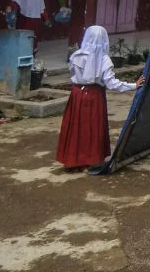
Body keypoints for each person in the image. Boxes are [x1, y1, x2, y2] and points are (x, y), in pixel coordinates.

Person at [57, 26, 143, 171]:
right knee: (90, 128)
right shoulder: (104, 60)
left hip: (77, 94)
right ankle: (89, 160)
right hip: (94, 96)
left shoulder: (76, 55)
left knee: (76, 127)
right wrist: (133, 85)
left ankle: (73, 160)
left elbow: (72, 72)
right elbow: (112, 83)